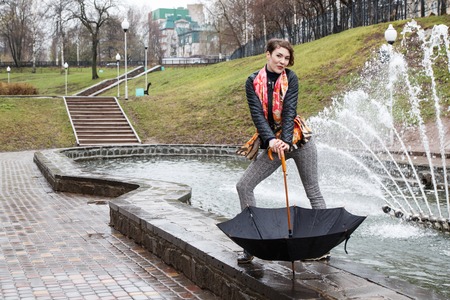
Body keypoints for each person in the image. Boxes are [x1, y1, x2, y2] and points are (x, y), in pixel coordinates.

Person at [236, 38, 327, 264]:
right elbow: (257, 114)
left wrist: (285, 140)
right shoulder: (252, 81)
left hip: (298, 140)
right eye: (279, 56)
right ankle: (252, 242)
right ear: (267, 54)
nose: (283, 61)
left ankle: (323, 246)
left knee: (313, 191)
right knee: (244, 185)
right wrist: (271, 140)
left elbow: (289, 111)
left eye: (287, 58)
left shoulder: (291, 78)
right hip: (273, 144)